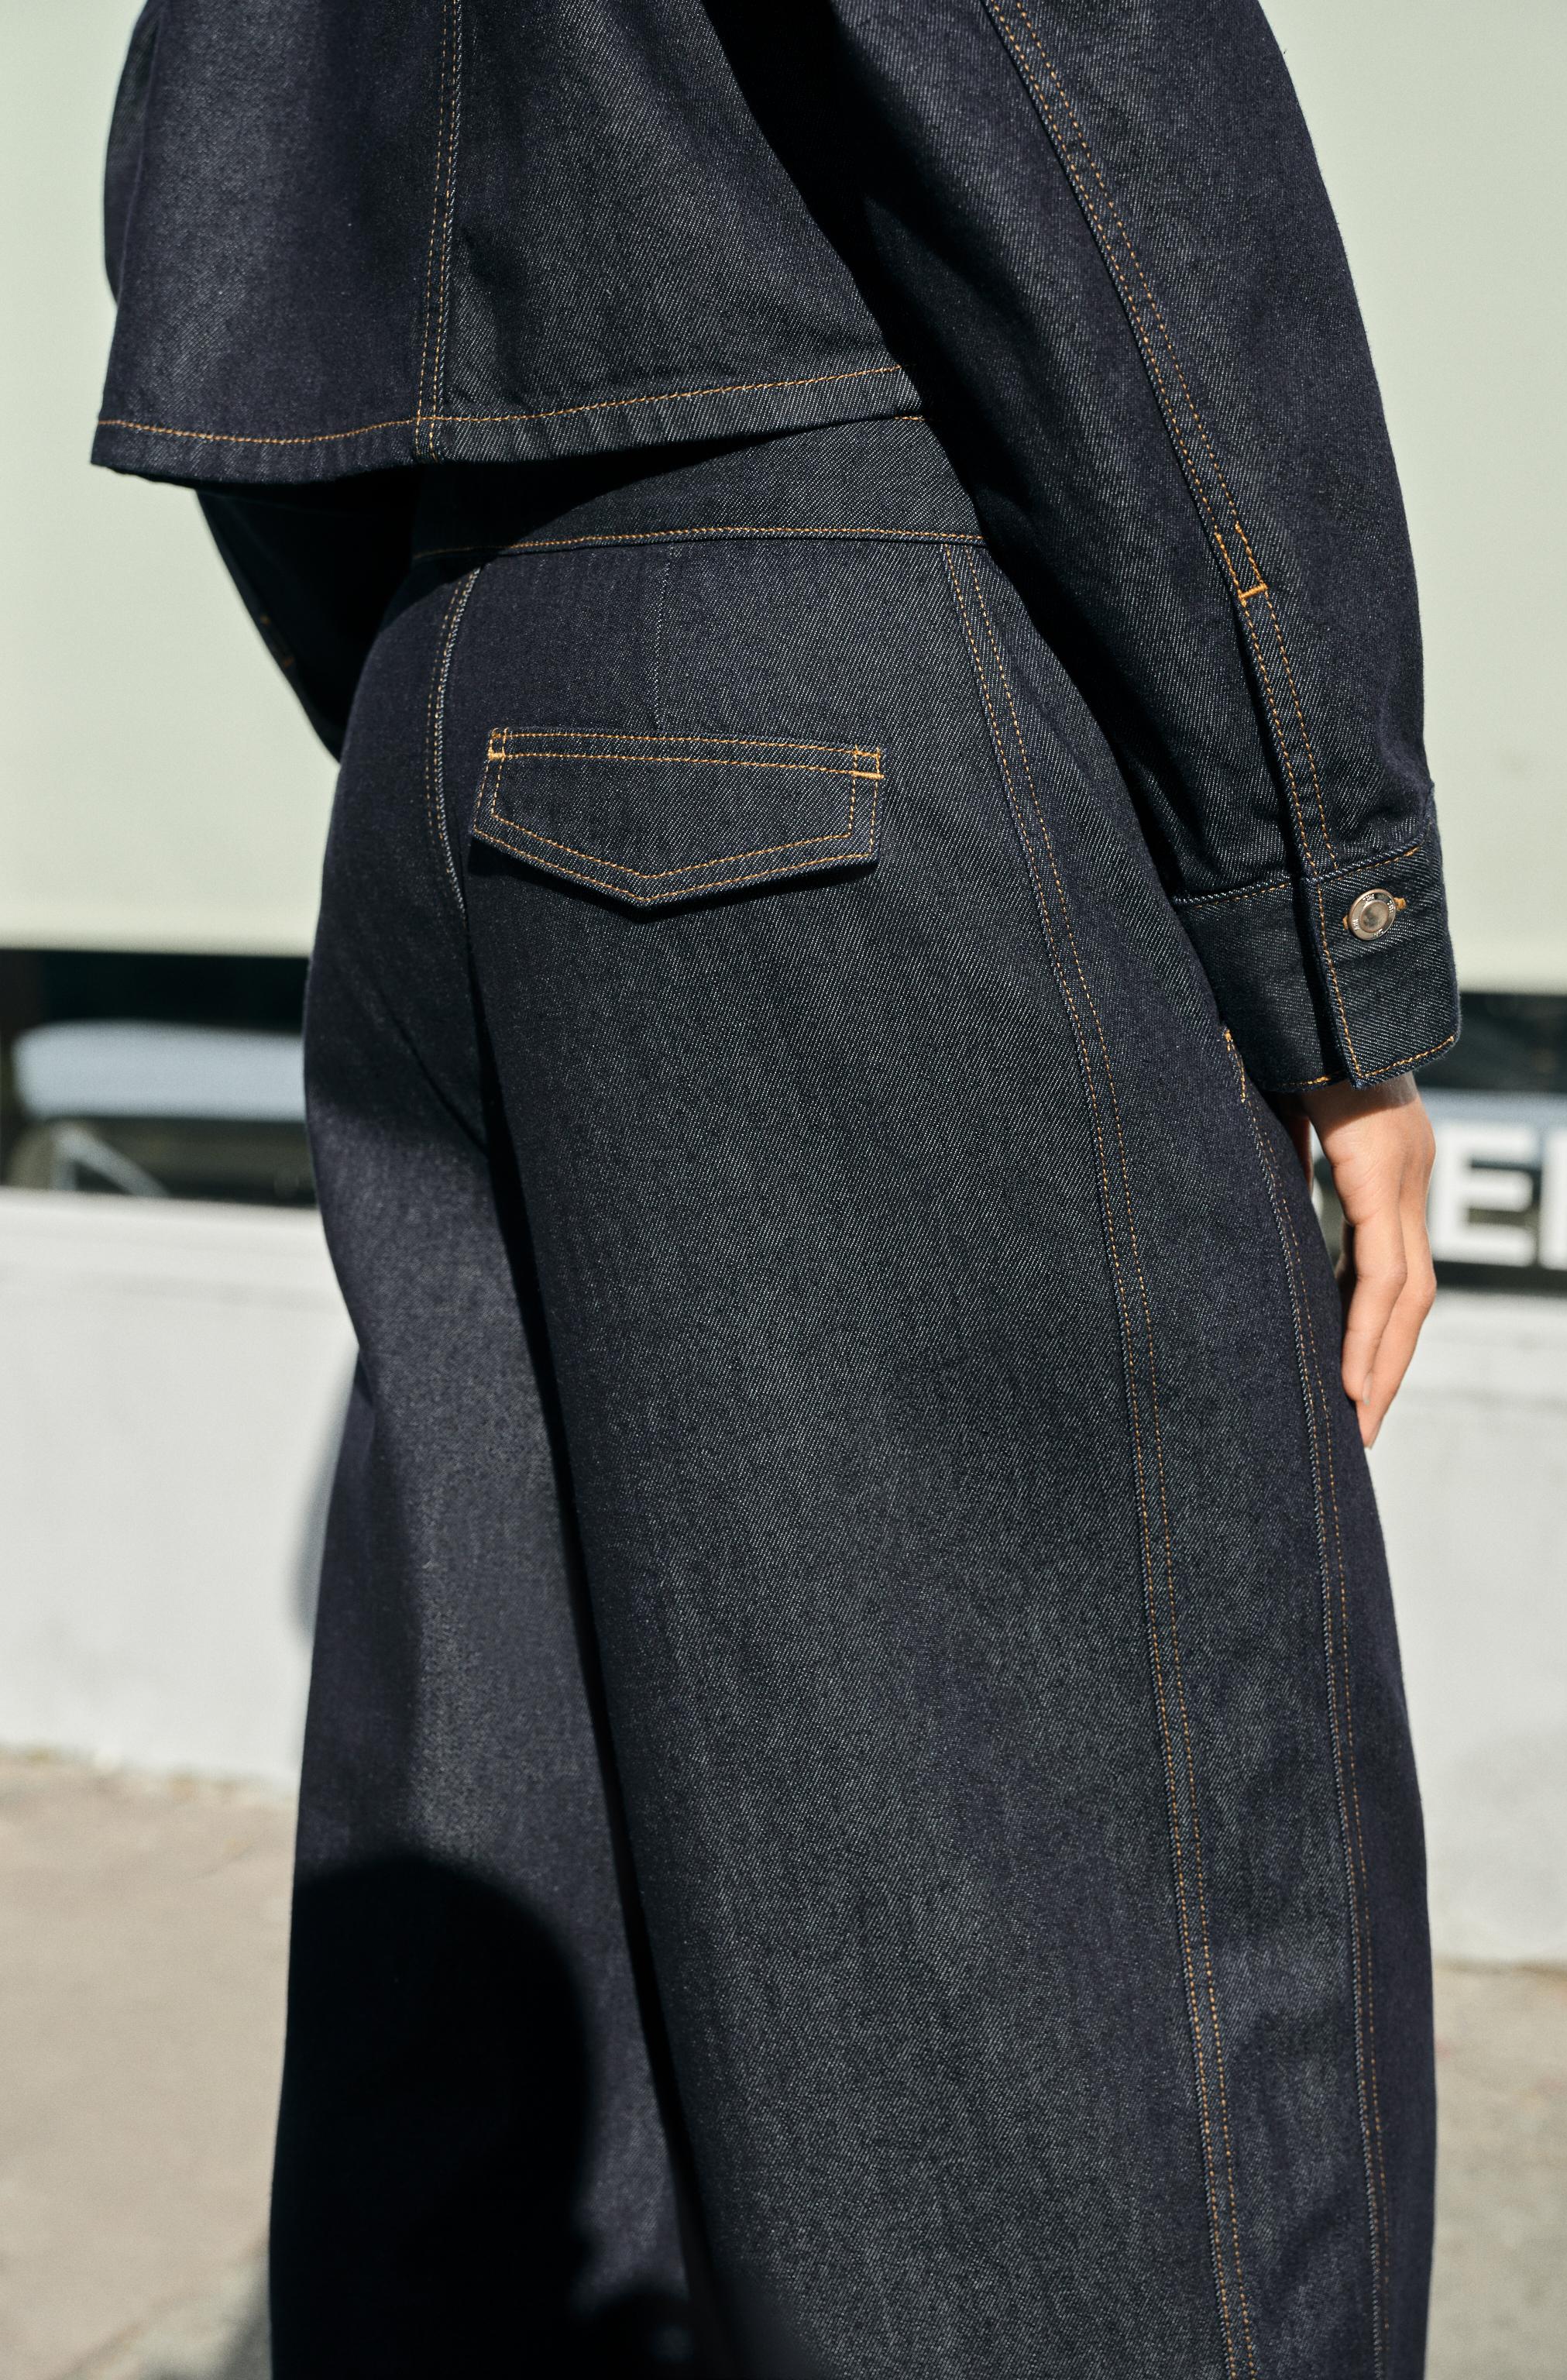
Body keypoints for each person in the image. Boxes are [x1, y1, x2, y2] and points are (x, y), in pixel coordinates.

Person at [96, 5, 1452, 2375]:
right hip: (857, 672)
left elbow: (218, 173)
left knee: (532, 1999)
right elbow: (1079, 108)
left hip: (447, 670)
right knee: (1093, 2053)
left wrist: (476, 643)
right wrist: (1330, 920)